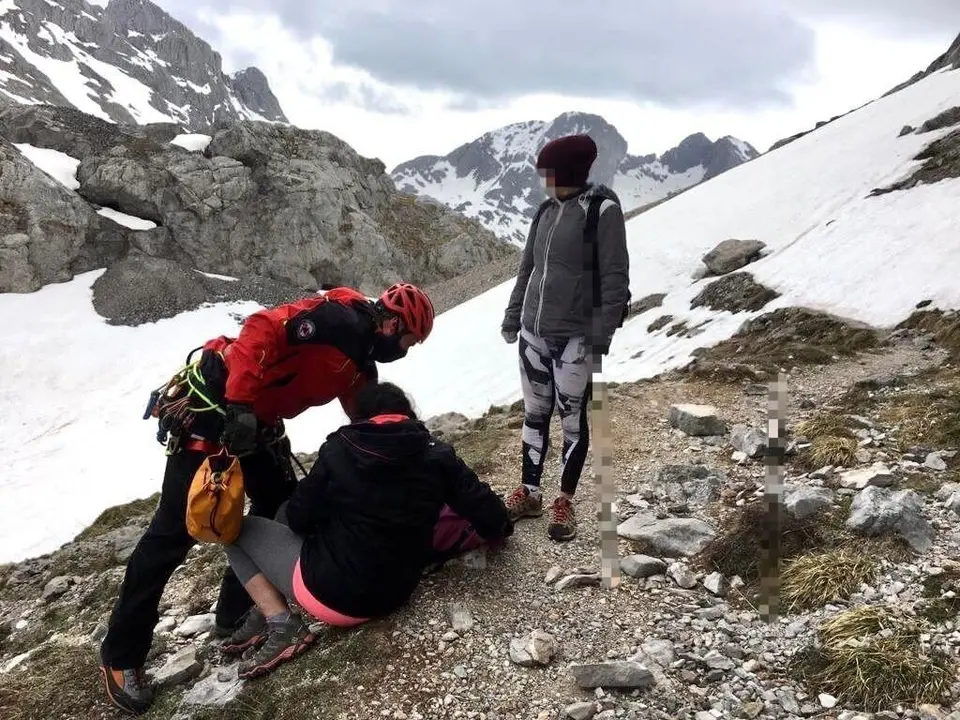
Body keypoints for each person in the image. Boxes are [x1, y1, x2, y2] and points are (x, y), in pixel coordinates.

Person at [98, 283, 435, 715]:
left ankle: (236, 616)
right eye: (407, 341)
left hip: (256, 420)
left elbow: (366, 419)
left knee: (279, 503)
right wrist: (239, 404)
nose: (405, 350)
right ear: (392, 325)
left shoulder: (360, 365)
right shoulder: (337, 320)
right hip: (217, 408)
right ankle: (121, 655)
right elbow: (261, 329)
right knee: (173, 533)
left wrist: (409, 453)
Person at [219, 381, 513, 680]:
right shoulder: (437, 455)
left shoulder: (338, 449)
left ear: (359, 416)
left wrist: (333, 508)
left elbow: (297, 518)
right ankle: (264, 613)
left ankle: (281, 623)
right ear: (406, 414)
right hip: (397, 592)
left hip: (333, 598)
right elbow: (492, 516)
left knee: (235, 532)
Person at [500, 133, 630, 542]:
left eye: (548, 172)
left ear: (566, 172)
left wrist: (600, 337)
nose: (543, 180)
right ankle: (531, 492)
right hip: (533, 335)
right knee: (534, 414)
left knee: (572, 420)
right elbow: (528, 269)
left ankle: (565, 501)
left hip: (576, 338)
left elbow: (614, 278)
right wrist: (512, 316)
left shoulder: (602, 212)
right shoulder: (544, 211)